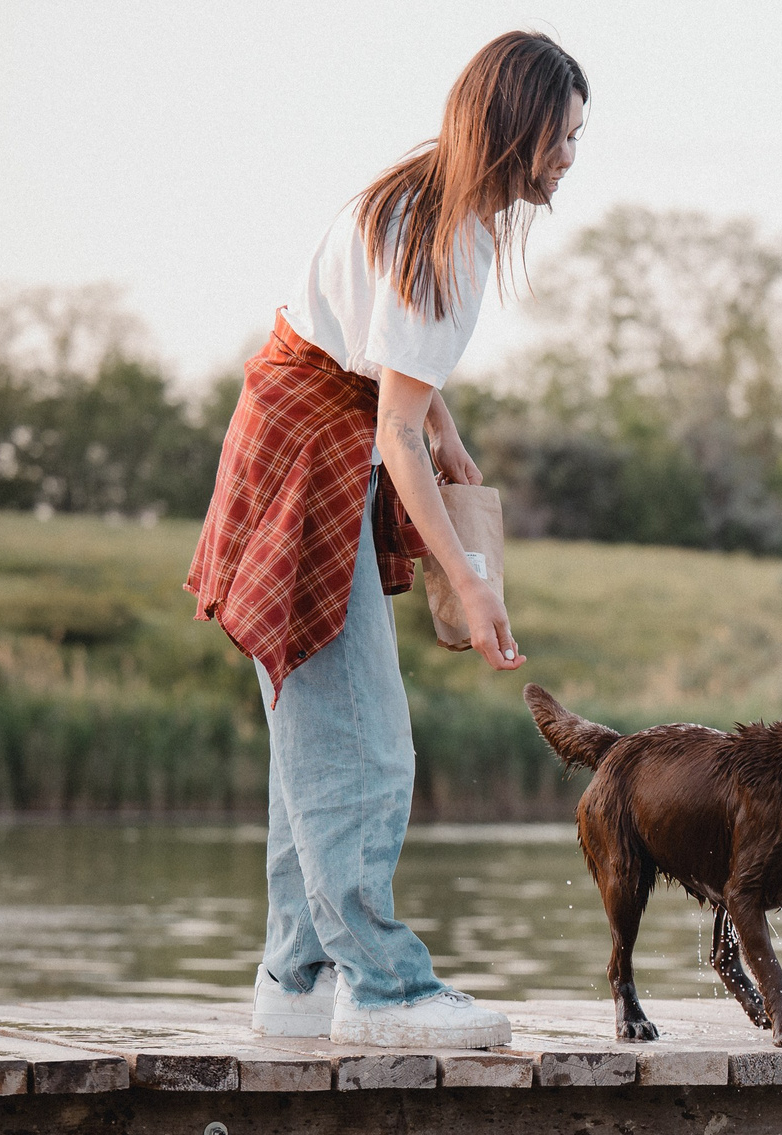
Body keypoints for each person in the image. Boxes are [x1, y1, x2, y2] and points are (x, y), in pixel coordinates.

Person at [187, 31, 585, 1048]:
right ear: (517, 124)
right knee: (364, 743)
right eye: (562, 136)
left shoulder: (413, 199)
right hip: (315, 456)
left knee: (315, 738)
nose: (570, 159)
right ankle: (386, 991)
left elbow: (401, 381)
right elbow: (392, 431)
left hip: (300, 435)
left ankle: (296, 977)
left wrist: (452, 438)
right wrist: (472, 576)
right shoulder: (442, 233)